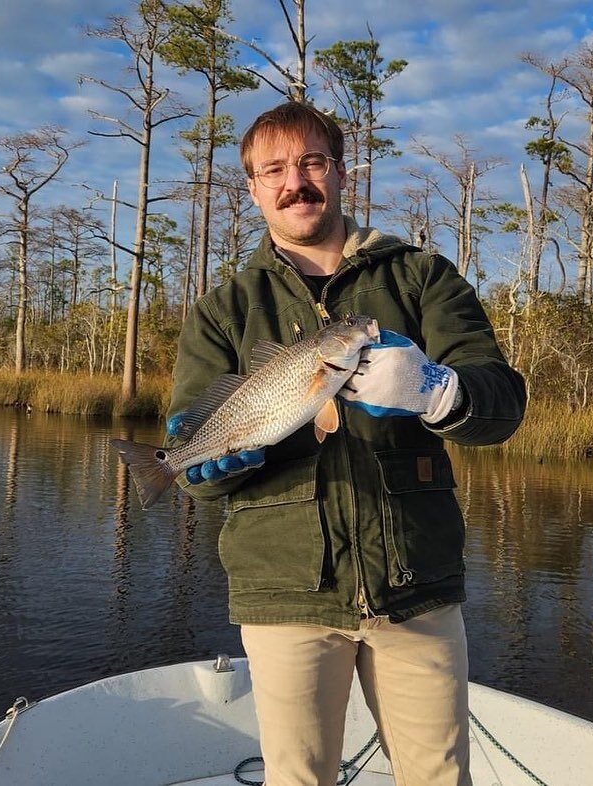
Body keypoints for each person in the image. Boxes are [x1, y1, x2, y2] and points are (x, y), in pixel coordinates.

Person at [166, 101, 526, 786]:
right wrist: (200, 465)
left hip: (414, 581)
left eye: (311, 162)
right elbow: (197, 456)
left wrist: (439, 390)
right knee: (298, 777)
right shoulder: (224, 310)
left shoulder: (421, 278)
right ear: (252, 188)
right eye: (273, 169)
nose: (294, 181)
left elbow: (501, 407)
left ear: (338, 172)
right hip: (284, 589)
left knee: (438, 777)